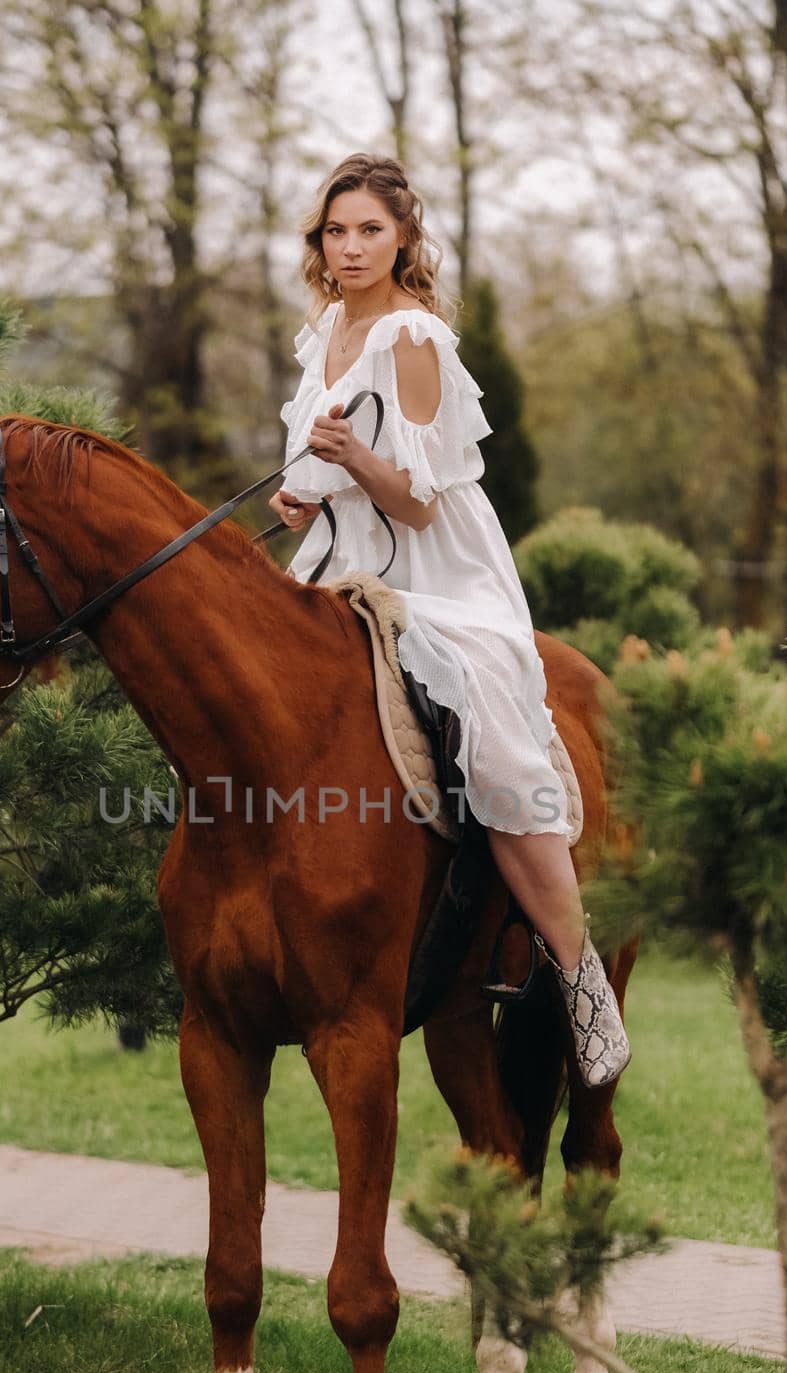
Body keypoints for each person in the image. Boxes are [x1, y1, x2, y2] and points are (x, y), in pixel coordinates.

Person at [268, 152, 630, 1089]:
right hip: (339, 562)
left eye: (369, 232)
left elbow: (421, 502)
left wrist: (351, 460)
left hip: (438, 574)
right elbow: (325, 477)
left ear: (403, 240)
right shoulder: (325, 334)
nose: (350, 248)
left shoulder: (412, 336)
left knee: (497, 747)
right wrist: (302, 499)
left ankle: (579, 979)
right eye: (336, 232)